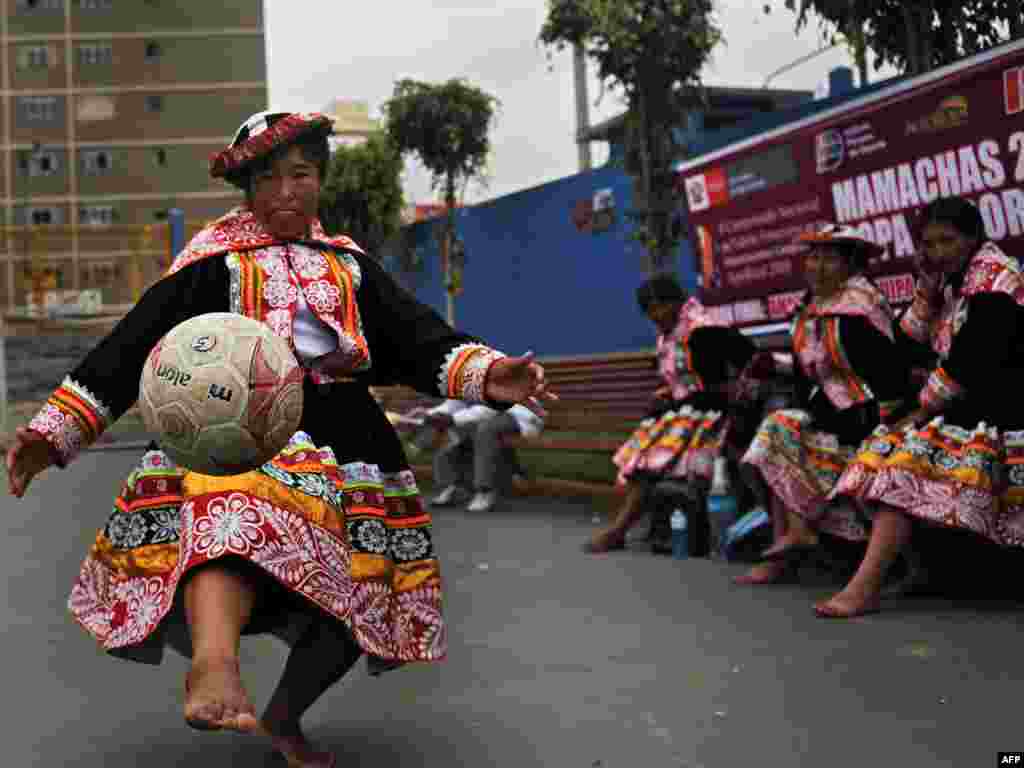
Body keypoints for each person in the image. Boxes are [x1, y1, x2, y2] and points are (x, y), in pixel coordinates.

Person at [5, 110, 554, 768]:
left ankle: (285, 717)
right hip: (235, 434)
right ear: (246, 189)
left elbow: (420, 340)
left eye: (302, 174)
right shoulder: (211, 265)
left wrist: (494, 374)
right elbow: (130, 351)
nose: (288, 191)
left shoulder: (349, 266)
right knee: (230, 523)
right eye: (270, 178)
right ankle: (213, 666)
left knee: (363, 597)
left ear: (319, 178)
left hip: (351, 447)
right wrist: (55, 432)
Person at [818, 198, 1024, 618]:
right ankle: (921, 570)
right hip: (968, 408)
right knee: (879, 455)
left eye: (948, 241)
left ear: (972, 238)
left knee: (905, 465)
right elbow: (905, 348)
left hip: (1004, 410)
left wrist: (920, 412)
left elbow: (972, 362)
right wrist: (925, 295)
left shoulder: (995, 280)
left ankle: (864, 588)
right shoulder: (949, 282)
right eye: (929, 244)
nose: (938, 252)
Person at [736, 224, 909, 586]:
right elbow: (815, 367)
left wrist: (887, 429)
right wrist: (775, 365)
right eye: (812, 258)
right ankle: (790, 541)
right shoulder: (811, 307)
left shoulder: (861, 309)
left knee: (783, 431)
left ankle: (793, 544)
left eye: (828, 259)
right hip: (829, 418)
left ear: (851, 265)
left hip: (867, 423)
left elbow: (890, 376)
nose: (816, 266)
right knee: (776, 430)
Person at [584, 274, 759, 554]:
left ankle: (619, 530)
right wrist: (668, 393)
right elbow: (680, 379)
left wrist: (728, 397)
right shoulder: (670, 334)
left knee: (650, 460)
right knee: (640, 459)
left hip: (713, 419)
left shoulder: (704, 329)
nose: (655, 314)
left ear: (677, 302)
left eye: (660, 306)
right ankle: (639, 527)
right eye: (649, 310)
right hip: (684, 416)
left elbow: (748, 362)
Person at [426, 400, 543, 512]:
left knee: (485, 429)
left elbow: (490, 408)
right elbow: (453, 404)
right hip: (486, 414)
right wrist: (431, 415)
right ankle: (455, 485)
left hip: (518, 413)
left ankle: (485, 490)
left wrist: (452, 418)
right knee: (454, 426)